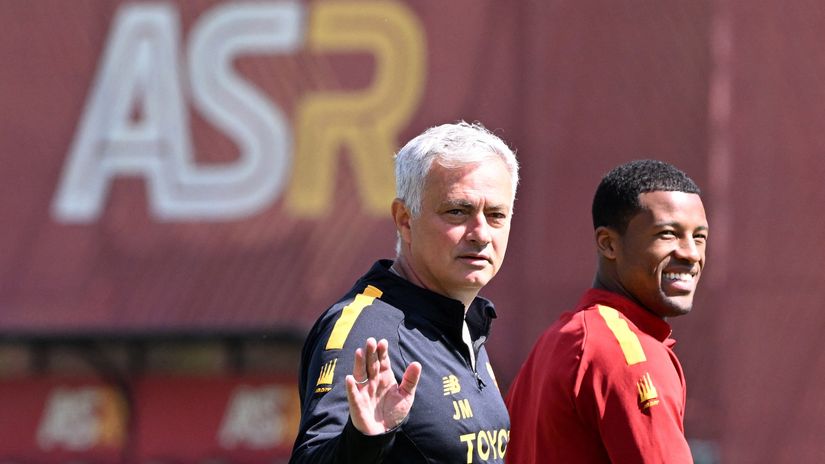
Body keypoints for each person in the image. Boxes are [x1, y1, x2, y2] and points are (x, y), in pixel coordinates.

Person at [289, 121, 519, 463]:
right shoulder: (365, 329)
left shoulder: (464, 322)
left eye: (496, 215)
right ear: (405, 220)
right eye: (458, 211)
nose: (481, 233)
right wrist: (364, 440)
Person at [505, 160, 708, 464]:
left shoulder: (557, 340)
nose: (691, 253)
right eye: (667, 234)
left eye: (699, 237)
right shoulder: (631, 356)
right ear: (608, 244)